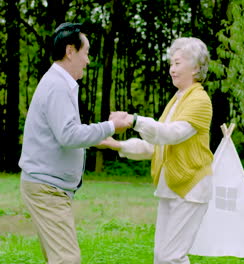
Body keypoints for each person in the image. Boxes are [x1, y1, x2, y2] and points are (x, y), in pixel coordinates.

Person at [18, 22, 131, 264]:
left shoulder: (58, 83)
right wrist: (112, 126)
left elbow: (64, 134)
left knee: (58, 259)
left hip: (48, 187)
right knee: (67, 259)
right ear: (71, 51)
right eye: (86, 53)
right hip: (47, 189)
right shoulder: (57, 86)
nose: (88, 60)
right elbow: (69, 135)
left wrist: (100, 137)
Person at [97, 37, 213, 264]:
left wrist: (134, 120)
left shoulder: (199, 100)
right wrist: (118, 145)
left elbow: (170, 134)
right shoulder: (177, 100)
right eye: (171, 63)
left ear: (196, 67)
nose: (172, 69)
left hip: (190, 188)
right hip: (171, 186)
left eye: (178, 63)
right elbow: (155, 146)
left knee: (171, 257)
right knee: (162, 257)